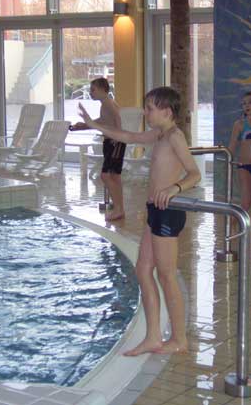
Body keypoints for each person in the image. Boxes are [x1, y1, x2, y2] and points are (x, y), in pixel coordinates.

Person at [79, 87, 201, 356]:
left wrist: (174, 189)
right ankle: (153, 337)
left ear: (166, 111)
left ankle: (179, 339)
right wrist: (93, 125)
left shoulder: (175, 137)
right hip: (153, 210)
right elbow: (128, 136)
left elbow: (194, 173)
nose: (145, 113)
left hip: (168, 211)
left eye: (150, 108)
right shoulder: (159, 134)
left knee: (167, 275)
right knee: (143, 270)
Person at [70, 78, 126, 221]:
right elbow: (102, 122)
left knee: (106, 176)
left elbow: (117, 118)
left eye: (93, 90)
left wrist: (118, 135)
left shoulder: (108, 103)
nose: (91, 92)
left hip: (114, 142)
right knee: (114, 176)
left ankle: (119, 208)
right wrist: (83, 126)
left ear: (102, 89)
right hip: (112, 141)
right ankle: (119, 208)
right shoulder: (106, 103)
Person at [227, 91, 251, 238]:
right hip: (244, 165)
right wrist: (228, 160)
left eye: (250, 102)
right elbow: (232, 145)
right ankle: (233, 223)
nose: (246, 106)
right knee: (246, 202)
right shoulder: (239, 124)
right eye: (244, 103)